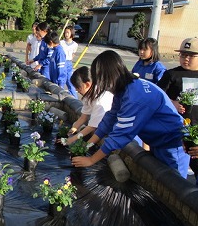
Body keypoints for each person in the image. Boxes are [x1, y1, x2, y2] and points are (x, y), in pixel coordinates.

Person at [72, 50, 189, 179]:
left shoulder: (134, 97)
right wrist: (89, 144)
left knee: (173, 186)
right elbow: (110, 118)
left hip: (173, 145)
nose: (100, 85)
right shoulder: (125, 88)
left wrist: (91, 160)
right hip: (159, 142)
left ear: (108, 77)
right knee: (159, 182)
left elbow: (120, 135)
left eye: (99, 80)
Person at [157, 37, 198, 184]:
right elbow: (158, 97)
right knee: (175, 170)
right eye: (183, 55)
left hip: (196, 131)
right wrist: (172, 103)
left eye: (191, 56)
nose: (185, 59)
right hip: (177, 129)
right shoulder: (171, 75)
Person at [59, 66, 113, 145]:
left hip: (112, 127)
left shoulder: (100, 100)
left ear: (87, 84)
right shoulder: (88, 95)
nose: (76, 90)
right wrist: (73, 128)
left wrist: (71, 140)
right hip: (99, 124)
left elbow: (91, 127)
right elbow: (84, 116)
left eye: (78, 88)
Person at [59, 26, 78, 97]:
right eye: (65, 32)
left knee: (70, 82)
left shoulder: (75, 45)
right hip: (62, 62)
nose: (66, 34)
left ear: (72, 33)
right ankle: (60, 97)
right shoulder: (61, 42)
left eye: (68, 32)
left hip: (69, 63)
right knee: (61, 81)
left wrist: (69, 61)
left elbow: (73, 54)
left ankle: (75, 99)